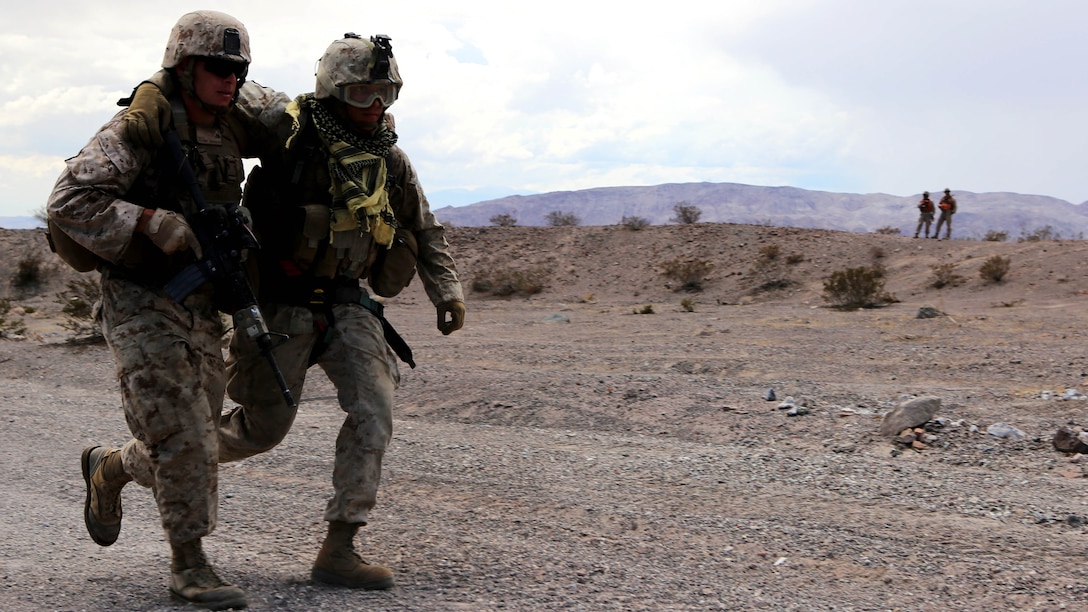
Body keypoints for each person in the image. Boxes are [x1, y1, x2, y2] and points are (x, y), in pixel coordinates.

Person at [121, 33, 466, 591]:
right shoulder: (290, 134)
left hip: (350, 304)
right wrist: (151, 89)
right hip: (280, 307)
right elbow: (228, 89)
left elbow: (424, 227)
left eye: (385, 93)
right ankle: (123, 464)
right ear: (333, 91)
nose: (374, 105)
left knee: (373, 412)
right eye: (360, 93)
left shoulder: (388, 159)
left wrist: (446, 290)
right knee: (259, 430)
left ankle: (340, 545)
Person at [48, 11, 288, 610]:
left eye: (239, 69)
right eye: (218, 67)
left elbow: (290, 115)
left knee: (198, 436)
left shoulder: (235, 121)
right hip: (140, 299)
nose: (230, 79)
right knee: (181, 431)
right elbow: (68, 200)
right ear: (185, 67)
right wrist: (151, 221)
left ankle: (110, 468)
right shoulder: (139, 129)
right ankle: (190, 563)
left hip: (202, 299)